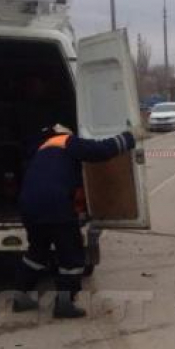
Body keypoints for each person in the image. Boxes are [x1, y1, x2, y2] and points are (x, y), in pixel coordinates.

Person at [13, 123, 135, 318]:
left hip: (29, 206)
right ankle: (64, 305)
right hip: (55, 206)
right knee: (71, 257)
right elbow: (101, 150)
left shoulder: (40, 150)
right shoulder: (65, 142)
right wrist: (129, 138)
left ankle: (20, 297)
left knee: (37, 252)